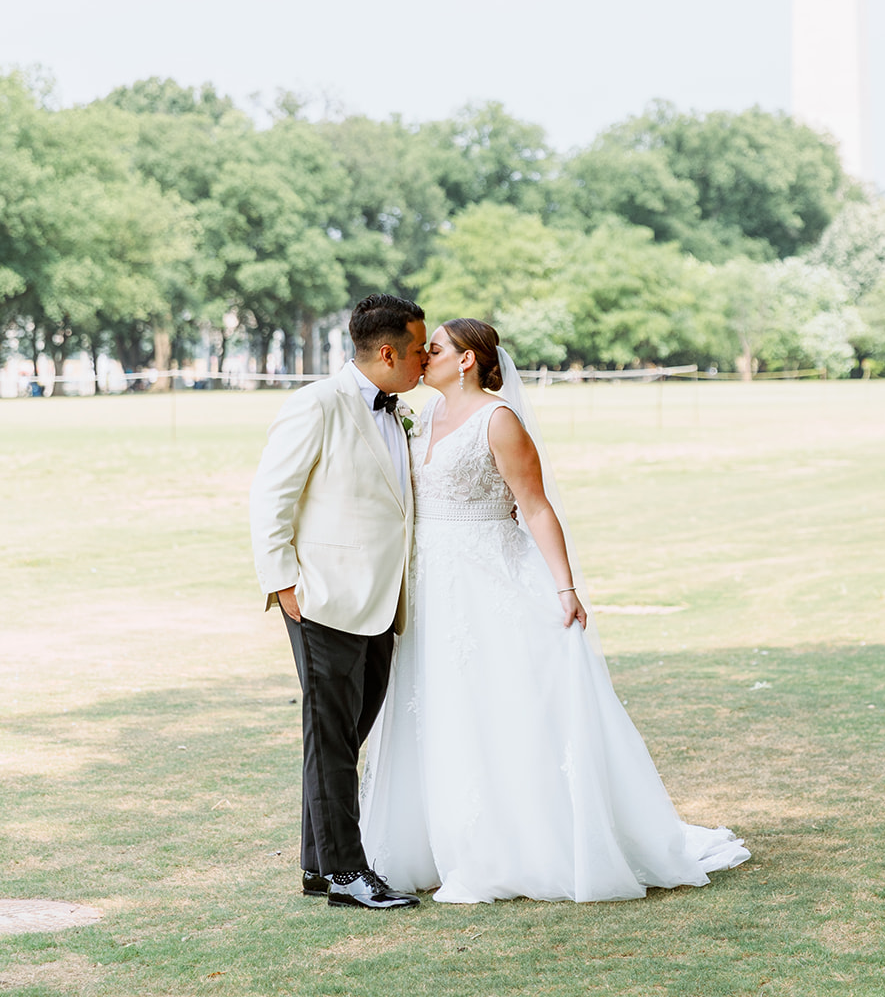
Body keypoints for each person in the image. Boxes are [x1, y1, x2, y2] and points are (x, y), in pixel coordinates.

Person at [360, 317, 750, 903]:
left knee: (496, 703)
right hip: (428, 586)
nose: (423, 357)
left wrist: (565, 589)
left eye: (434, 349)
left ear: (466, 360)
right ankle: (435, 841)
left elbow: (536, 508)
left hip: (483, 574)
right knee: (434, 704)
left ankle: (510, 846)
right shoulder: (419, 418)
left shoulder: (499, 420)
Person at [249, 293, 428, 911]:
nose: (426, 359)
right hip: (322, 598)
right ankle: (348, 874)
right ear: (387, 352)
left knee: (345, 734)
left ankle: (318, 865)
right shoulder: (317, 404)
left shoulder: (398, 412)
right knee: (331, 735)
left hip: (381, 602)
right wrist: (281, 582)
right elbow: (270, 496)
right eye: (418, 349)